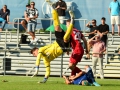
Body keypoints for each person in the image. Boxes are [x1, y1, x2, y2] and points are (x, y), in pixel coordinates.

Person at [30, 2, 74, 83]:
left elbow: (38, 57)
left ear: (36, 50)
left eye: (34, 53)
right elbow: (48, 70)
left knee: (57, 27)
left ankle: (54, 10)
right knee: (66, 37)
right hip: (62, 48)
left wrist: (36, 69)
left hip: (58, 42)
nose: (34, 55)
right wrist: (44, 80)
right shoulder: (45, 60)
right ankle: (72, 21)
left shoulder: (41, 50)